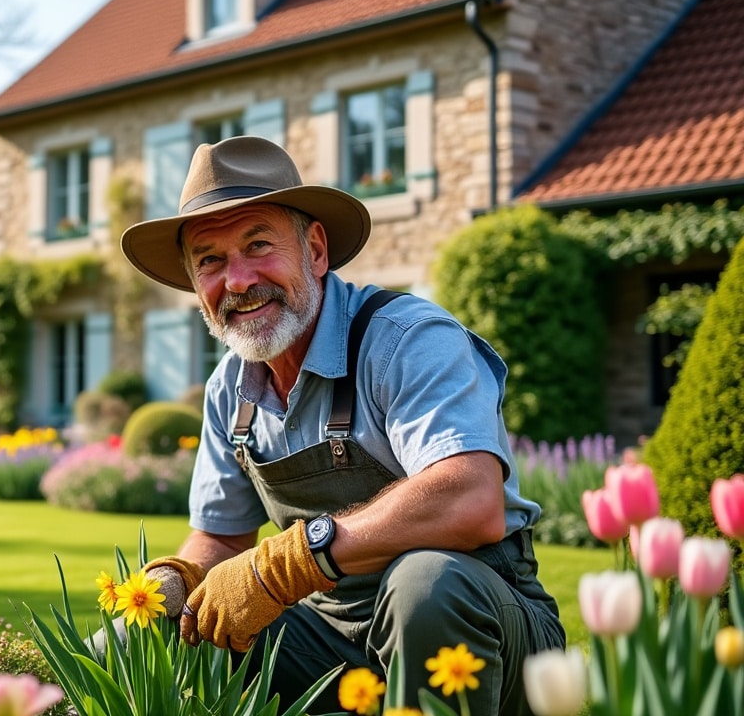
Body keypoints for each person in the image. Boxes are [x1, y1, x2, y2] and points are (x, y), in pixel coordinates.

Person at [118, 135, 565, 715]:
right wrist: (176, 581)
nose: (237, 279)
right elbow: (223, 537)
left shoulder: (406, 340)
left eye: (258, 244)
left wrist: (287, 564)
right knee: (162, 628)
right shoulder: (230, 388)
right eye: (210, 260)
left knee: (426, 584)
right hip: (332, 646)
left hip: (481, 635)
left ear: (317, 250)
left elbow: (470, 498)